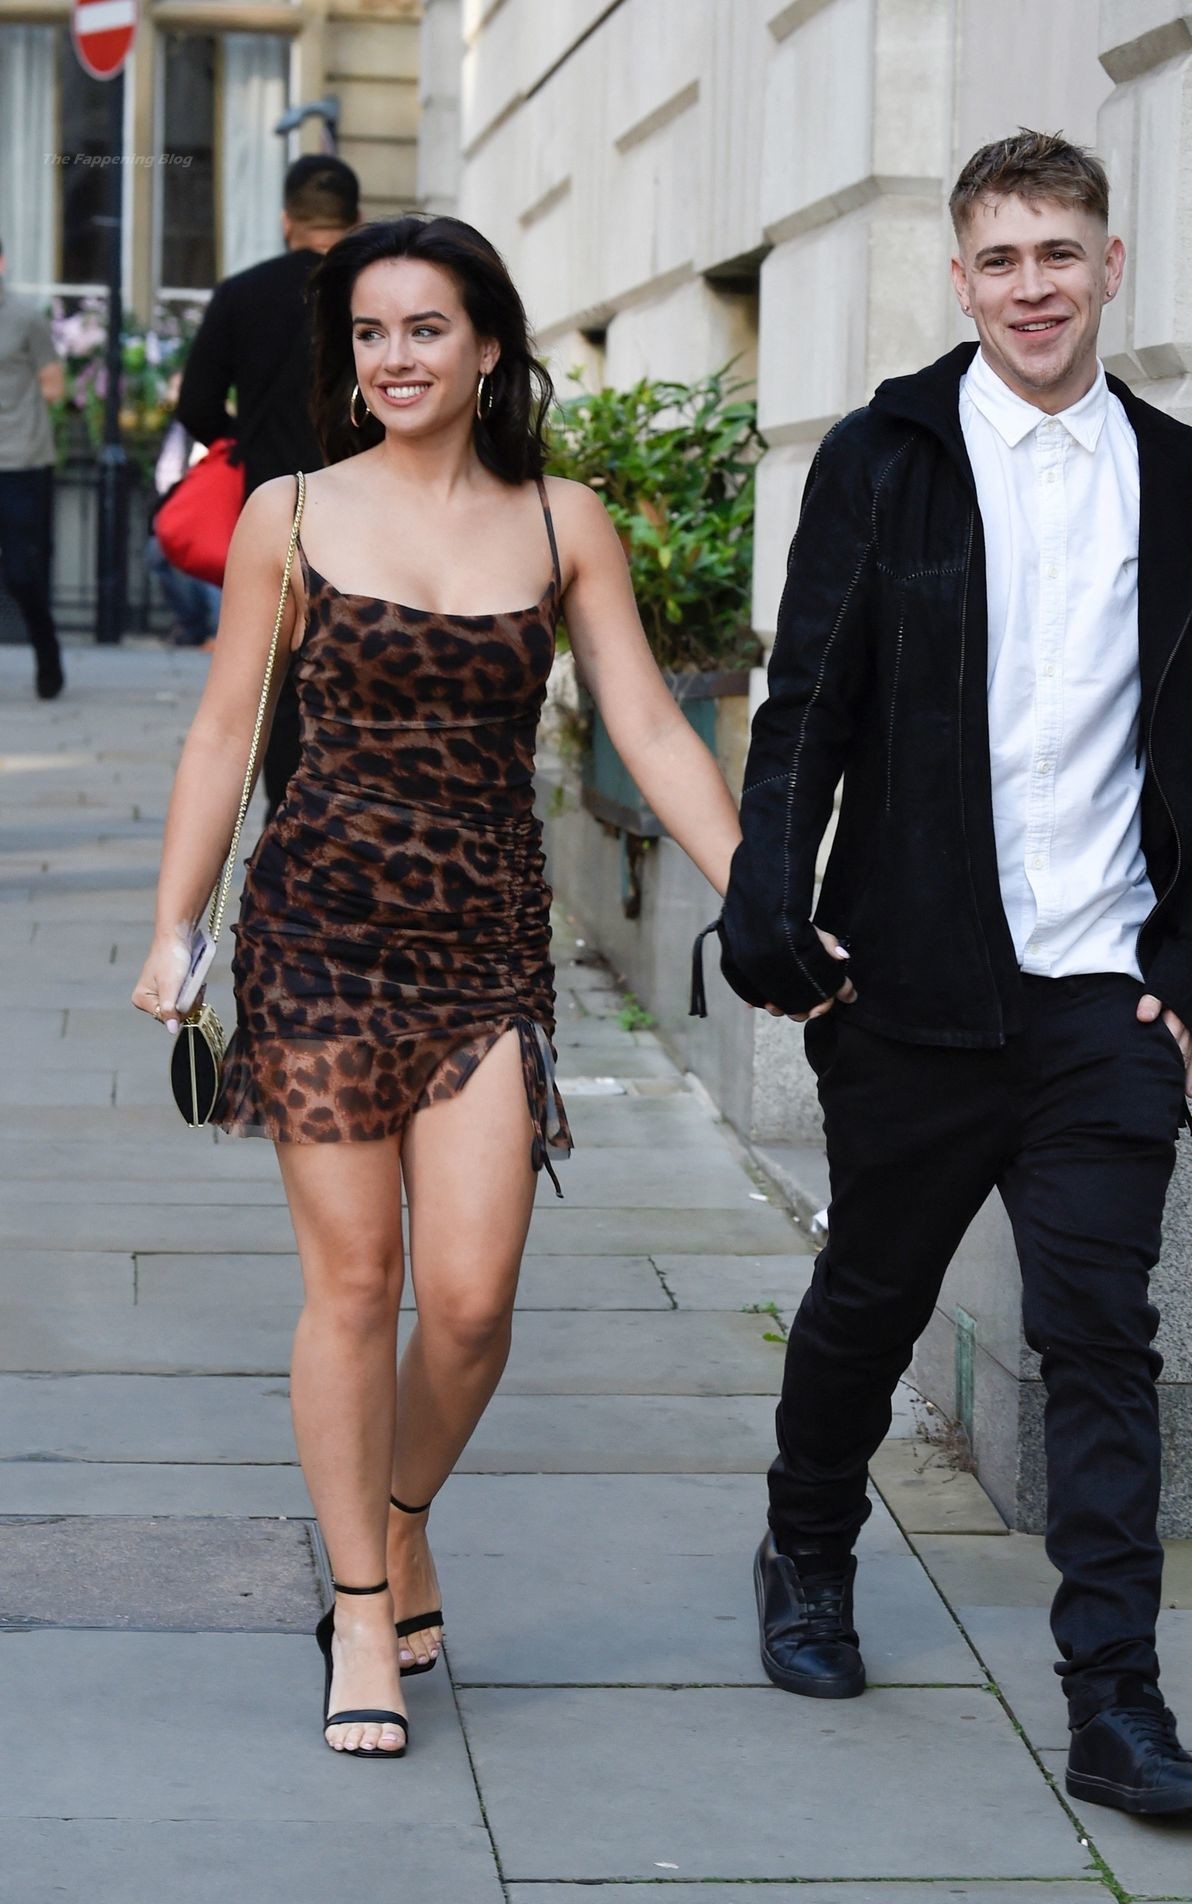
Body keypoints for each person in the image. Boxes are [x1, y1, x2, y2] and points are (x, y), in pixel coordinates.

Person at [131, 213, 742, 1757]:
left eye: (424, 330)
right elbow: (222, 731)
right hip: (317, 937)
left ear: (487, 350)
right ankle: (357, 1608)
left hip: (485, 953)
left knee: (468, 1304)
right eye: (370, 334)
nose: (394, 358)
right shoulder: (289, 513)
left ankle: (401, 1518)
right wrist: (174, 925)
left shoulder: (560, 522)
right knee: (353, 1286)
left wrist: (762, 889)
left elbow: (648, 725)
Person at [704, 130, 1192, 1819]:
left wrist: (1187, 976)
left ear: (1108, 268)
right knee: (870, 1300)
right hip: (910, 987)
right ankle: (808, 1546)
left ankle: (1117, 1708)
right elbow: (806, 699)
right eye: (1001, 259)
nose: (1032, 287)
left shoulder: (1178, 484)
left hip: (1101, 997)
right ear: (960, 280)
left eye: (1058, 253)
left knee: (1100, 1340)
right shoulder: (885, 457)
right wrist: (768, 913)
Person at [175, 155, 360, 819]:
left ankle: (292, 813)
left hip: (275, 505)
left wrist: (246, 438)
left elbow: (196, 405)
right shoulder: (371, 291)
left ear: (287, 220)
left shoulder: (242, 293)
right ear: (356, 221)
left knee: (274, 675)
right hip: (368, 501)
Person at [0, 235, 67, 698]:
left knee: (23, 573)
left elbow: (53, 384)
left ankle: (48, 655)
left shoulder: (25, 317)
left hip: (20, 458)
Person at [146, 376, 222, 647]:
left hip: (198, 510)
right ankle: (193, 627)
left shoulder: (207, 425)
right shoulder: (174, 425)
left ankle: (213, 631)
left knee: (207, 567)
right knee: (159, 556)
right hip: (173, 507)